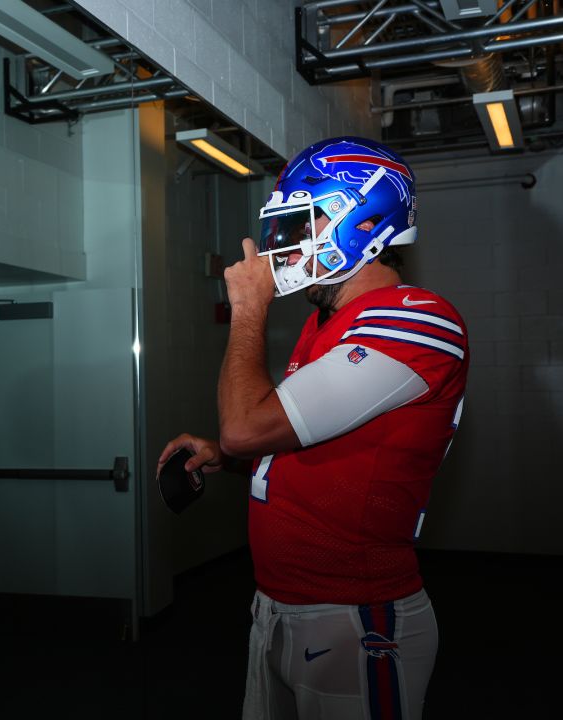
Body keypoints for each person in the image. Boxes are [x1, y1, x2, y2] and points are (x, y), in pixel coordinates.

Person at [159, 137, 468, 720]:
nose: (288, 247)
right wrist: (225, 457)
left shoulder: (415, 317)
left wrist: (249, 310)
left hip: (355, 613)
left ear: (364, 221)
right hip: (281, 604)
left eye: (306, 223)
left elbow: (245, 428)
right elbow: (298, 436)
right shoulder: (330, 321)